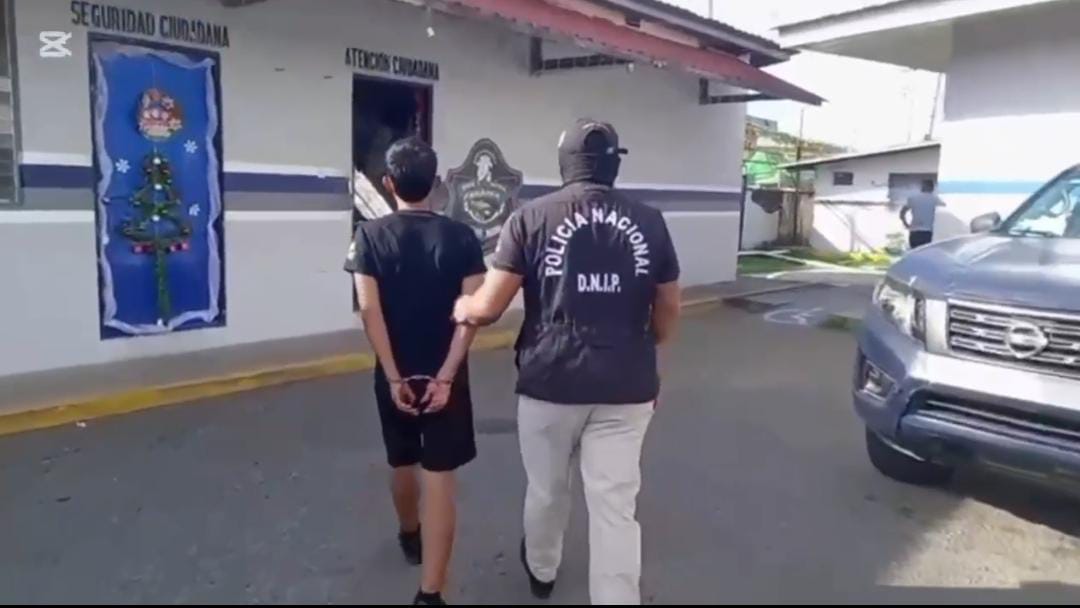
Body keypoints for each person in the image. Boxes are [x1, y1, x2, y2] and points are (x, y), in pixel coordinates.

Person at [453, 119, 681, 604]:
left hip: (549, 382)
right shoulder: (650, 222)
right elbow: (668, 309)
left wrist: (463, 307)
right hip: (626, 386)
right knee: (615, 505)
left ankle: (542, 568)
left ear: (565, 164)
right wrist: (646, 350)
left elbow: (488, 307)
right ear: (613, 164)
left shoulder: (529, 219)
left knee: (547, 489)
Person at [344, 137, 486, 606]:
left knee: (401, 460)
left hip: (396, 373)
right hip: (446, 375)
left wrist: (392, 376)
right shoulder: (462, 238)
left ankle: (410, 534)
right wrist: (446, 375)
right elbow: (470, 315)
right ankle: (430, 593)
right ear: (437, 183)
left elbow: (369, 311)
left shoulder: (369, 237)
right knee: (440, 475)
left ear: (388, 183)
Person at [901, 179, 945, 249]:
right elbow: (944, 211)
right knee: (925, 253)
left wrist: (906, 224)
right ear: (932, 188)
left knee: (914, 252)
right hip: (927, 233)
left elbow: (902, 213)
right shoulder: (935, 199)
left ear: (922, 187)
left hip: (914, 233)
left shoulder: (913, 198)